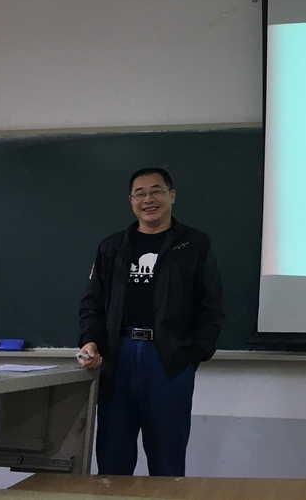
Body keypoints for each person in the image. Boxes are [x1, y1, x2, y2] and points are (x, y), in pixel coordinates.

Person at [77, 167, 223, 477]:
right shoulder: (112, 247)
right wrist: (90, 341)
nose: (148, 199)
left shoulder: (194, 244)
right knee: (112, 461)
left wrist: (194, 355)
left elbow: (211, 305)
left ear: (172, 195)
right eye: (139, 193)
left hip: (168, 359)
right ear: (131, 200)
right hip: (118, 358)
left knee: (167, 462)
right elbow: (92, 304)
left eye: (156, 191)